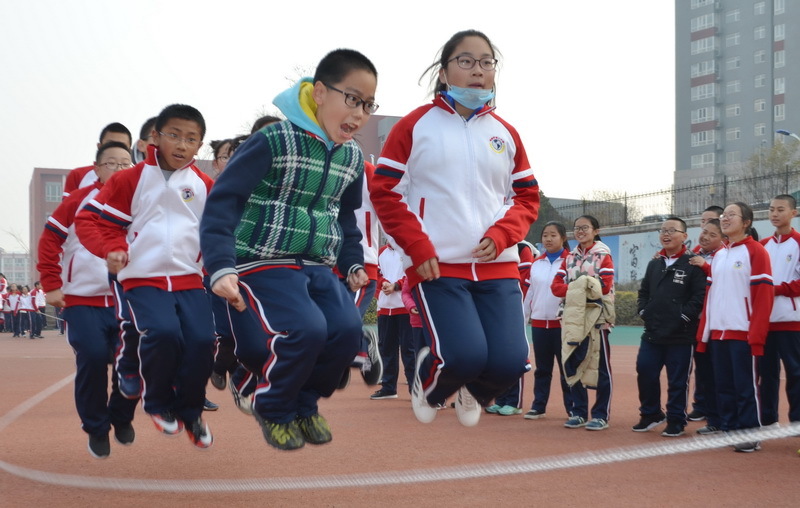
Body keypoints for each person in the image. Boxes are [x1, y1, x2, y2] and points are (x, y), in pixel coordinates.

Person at [200, 49, 378, 451]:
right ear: (320, 93)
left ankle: (305, 404)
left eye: (368, 105)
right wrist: (221, 265)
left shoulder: (350, 157)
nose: (359, 114)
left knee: (347, 332)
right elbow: (223, 202)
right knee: (306, 330)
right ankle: (273, 406)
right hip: (263, 260)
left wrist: (352, 262)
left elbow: (345, 218)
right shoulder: (273, 140)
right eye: (352, 99)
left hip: (318, 265)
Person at [370, 30, 539, 428]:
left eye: (486, 62)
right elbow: (385, 191)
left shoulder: (505, 133)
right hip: (437, 264)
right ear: (444, 72)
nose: (477, 70)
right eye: (465, 61)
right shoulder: (414, 126)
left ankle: (470, 390)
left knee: (511, 362)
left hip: (498, 265)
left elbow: (526, 197)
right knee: (463, 356)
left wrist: (502, 234)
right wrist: (417, 245)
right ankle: (429, 388)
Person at [77, 104, 216, 450]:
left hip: (189, 279)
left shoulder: (203, 185)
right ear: (155, 137)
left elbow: (218, 232)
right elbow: (100, 223)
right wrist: (113, 249)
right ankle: (156, 402)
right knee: (163, 333)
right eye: (174, 135)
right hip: (142, 278)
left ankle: (191, 412)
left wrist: (220, 270)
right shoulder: (131, 179)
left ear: (200, 145)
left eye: (191, 139)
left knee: (202, 341)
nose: (182, 144)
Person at [37, 141, 138, 458]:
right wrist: (52, 284)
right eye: (111, 163)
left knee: (134, 362)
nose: (119, 169)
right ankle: (96, 427)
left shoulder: (140, 201)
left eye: (125, 163)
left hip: (128, 298)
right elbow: (49, 240)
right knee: (93, 358)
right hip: (82, 300)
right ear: (96, 169)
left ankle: (121, 416)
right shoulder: (78, 201)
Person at [697, 202, 773, 453]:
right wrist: (705, 332)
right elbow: (711, 296)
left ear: (746, 222)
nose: (725, 219)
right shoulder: (720, 254)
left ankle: (750, 433)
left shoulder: (756, 251)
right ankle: (729, 428)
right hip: (719, 332)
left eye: (732, 215)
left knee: (745, 386)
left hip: (743, 332)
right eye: (724, 215)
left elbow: (763, 296)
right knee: (723, 385)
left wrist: (756, 333)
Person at [633, 217, 706, 437]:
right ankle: (651, 414)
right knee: (645, 371)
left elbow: (699, 297)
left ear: (684, 236)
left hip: (680, 335)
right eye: (663, 230)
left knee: (677, 381)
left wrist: (683, 317)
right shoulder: (655, 263)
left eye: (672, 230)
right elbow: (644, 292)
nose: (666, 234)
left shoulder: (693, 263)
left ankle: (676, 420)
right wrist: (643, 311)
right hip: (653, 332)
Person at [551, 215, 615, 431]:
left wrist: (573, 289)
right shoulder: (569, 258)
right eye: (577, 228)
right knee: (573, 364)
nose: (580, 231)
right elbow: (555, 287)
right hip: (572, 320)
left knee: (601, 367)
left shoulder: (603, 255)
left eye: (585, 227)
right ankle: (578, 412)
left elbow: (604, 287)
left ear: (596, 231)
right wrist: (584, 287)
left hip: (597, 320)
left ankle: (600, 415)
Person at [522, 222, 573, 420]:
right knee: (542, 369)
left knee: (567, 369)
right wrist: (524, 318)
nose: (548, 239)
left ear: (563, 238)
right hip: (539, 324)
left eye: (553, 235)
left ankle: (573, 408)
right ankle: (538, 406)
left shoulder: (571, 262)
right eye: (545, 235)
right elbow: (530, 293)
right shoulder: (536, 263)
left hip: (562, 325)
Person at [760, 194, 800, 427]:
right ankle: (768, 421)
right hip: (764, 321)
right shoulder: (762, 245)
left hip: (791, 320)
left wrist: (775, 290)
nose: (774, 214)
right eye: (771, 209)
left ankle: (797, 421)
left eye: (780, 210)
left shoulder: (798, 243)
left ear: (793, 213)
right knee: (766, 373)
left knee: (796, 372)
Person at [487, 240, 537, 416]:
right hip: (494, 308)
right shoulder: (490, 247)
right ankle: (500, 399)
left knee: (513, 355)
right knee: (497, 357)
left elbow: (525, 281)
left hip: (512, 308)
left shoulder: (522, 248)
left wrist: (515, 306)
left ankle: (514, 402)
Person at [685, 205, 724, 423]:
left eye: (711, 227)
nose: (705, 232)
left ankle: (717, 413)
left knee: (716, 368)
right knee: (701, 366)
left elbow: (726, 280)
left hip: (717, 321)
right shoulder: (695, 252)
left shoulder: (725, 254)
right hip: (696, 320)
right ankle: (702, 405)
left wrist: (705, 266)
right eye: (703, 225)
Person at [370, 243, 414, 400]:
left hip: (405, 308)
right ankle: (389, 388)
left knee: (409, 350)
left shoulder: (409, 249)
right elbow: (375, 272)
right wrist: (383, 283)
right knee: (387, 349)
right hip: (385, 308)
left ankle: (415, 389)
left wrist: (396, 286)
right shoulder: (381, 252)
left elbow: (413, 273)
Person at [63, 123, 132, 198]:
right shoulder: (78, 175)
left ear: (129, 150)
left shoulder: (137, 179)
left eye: (122, 146)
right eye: (109, 144)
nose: (115, 149)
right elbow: (68, 204)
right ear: (99, 146)